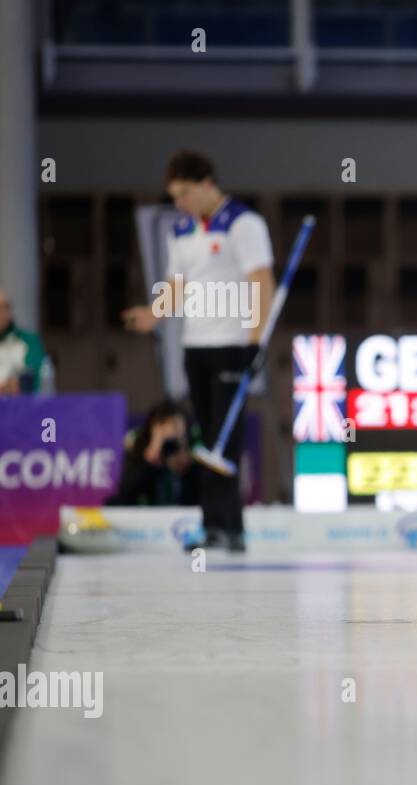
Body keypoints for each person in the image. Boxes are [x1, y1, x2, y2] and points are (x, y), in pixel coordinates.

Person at [121, 149, 275, 552]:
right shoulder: (183, 231)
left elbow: (262, 282)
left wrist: (255, 341)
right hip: (195, 345)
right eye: (175, 195)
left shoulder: (243, 224)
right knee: (206, 437)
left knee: (226, 439)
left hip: (231, 344)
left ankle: (225, 527)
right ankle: (220, 527)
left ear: (207, 184)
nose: (180, 203)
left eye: (185, 193)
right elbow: (176, 287)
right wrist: (153, 315)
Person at [109, 400, 200, 507]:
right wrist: (149, 462)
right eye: (163, 426)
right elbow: (123, 498)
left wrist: (186, 470)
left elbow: (202, 500)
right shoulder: (137, 452)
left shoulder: (195, 454)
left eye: (176, 427)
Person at [0, 287, 47, 395]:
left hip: (19, 407)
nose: (2, 314)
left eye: (5, 307)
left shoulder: (29, 341)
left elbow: (36, 379)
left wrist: (15, 385)